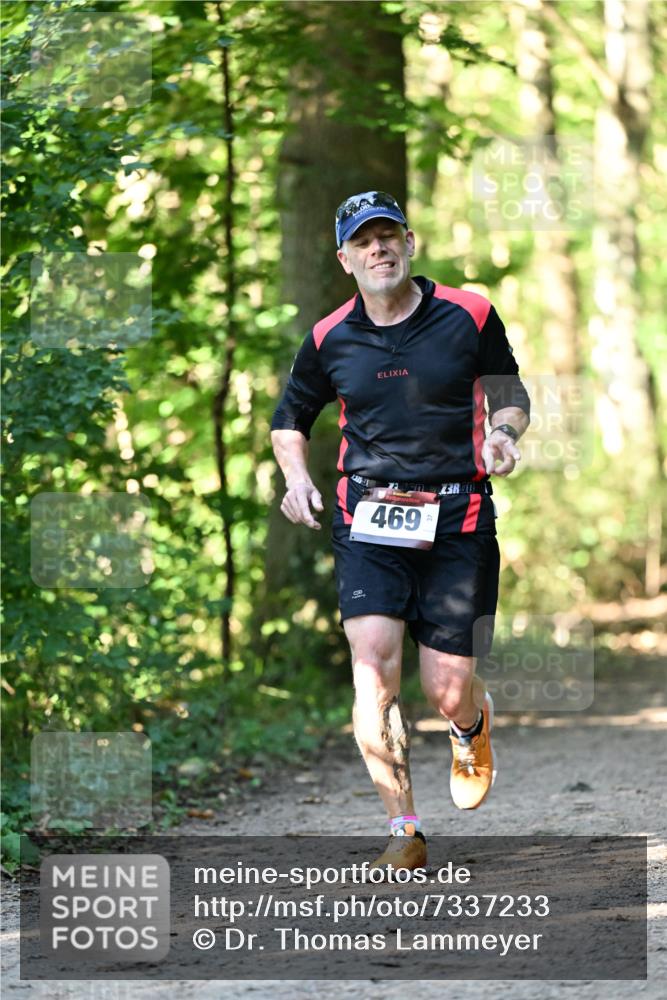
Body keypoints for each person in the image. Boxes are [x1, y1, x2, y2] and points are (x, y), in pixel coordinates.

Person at [270, 191, 530, 872]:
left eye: (388, 236)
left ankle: (469, 723)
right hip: (368, 517)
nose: (378, 249)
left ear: (409, 243)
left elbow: (509, 392)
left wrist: (502, 433)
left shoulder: (468, 314)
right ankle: (403, 828)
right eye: (363, 241)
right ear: (345, 259)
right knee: (373, 664)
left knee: (447, 687)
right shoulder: (329, 337)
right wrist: (295, 477)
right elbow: (290, 418)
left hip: (458, 516)